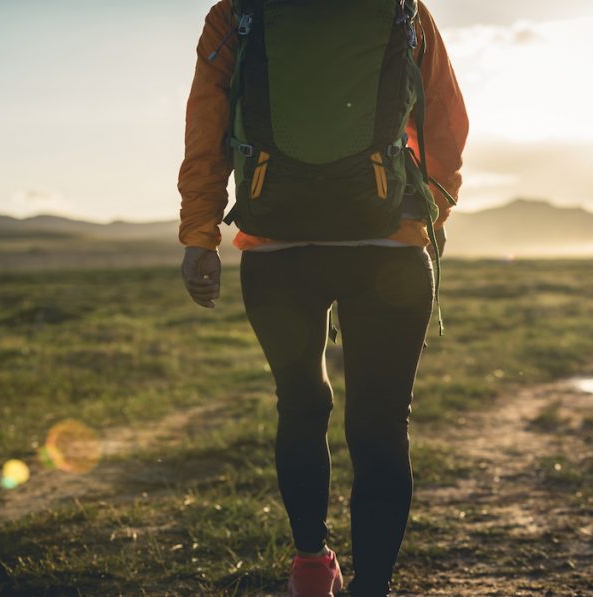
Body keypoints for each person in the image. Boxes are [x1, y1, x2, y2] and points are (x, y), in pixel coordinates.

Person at [177, 1, 467, 595]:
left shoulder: (238, 12)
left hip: (277, 248)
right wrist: (428, 209)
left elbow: (206, 123)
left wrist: (200, 234)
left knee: (301, 406)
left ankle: (311, 566)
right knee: (381, 427)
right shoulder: (403, 7)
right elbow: (445, 121)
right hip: (389, 247)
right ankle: (372, 588)